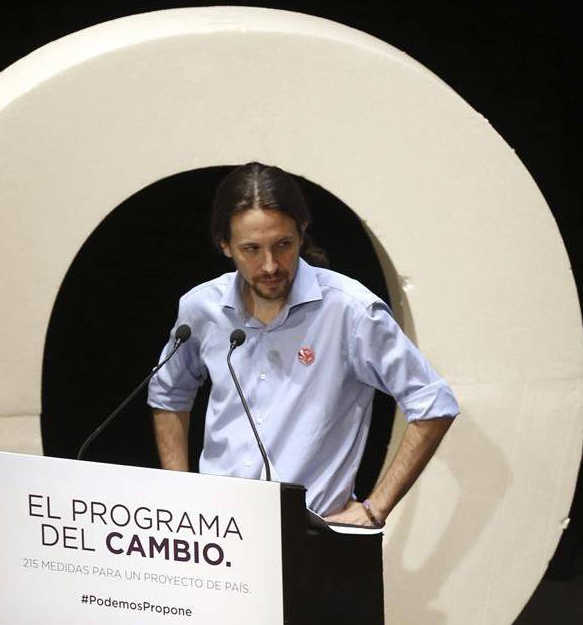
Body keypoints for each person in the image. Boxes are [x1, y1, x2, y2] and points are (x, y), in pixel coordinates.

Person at [147, 162, 459, 527]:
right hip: (216, 528)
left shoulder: (349, 311)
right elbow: (168, 393)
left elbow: (433, 403)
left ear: (302, 231)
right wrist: (180, 494)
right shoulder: (202, 307)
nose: (270, 265)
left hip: (308, 534)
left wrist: (374, 509)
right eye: (252, 249)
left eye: (283, 245)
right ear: (225, 245)